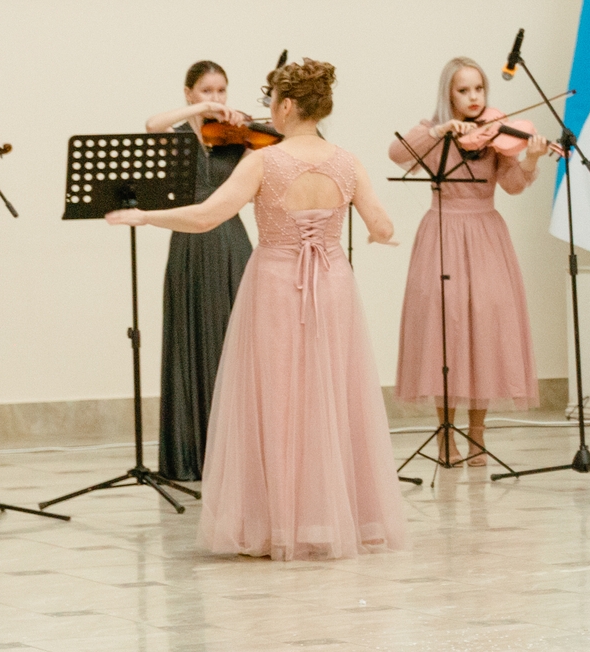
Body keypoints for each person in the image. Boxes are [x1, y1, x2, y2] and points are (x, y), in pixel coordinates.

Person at [108, 59, 406, 559]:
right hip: (333, 283)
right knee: (332, 395)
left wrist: (145, 215)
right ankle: (335, 518)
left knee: (277, 399)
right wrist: (376, 237)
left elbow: (207, 217)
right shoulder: (348, 162)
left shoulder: (264, 161)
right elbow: (383, 226)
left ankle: (278, 524)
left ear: (286, 106)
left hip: (276, 283)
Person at [389, 58, 547, 467]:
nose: (474, 97)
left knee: (485, 330)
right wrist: (438, 131)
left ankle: (478, 434)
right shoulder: (433, 131)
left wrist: (530, 160)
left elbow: (512, 185)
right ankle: (445, 435)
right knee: (445, 330)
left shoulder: (497, 133)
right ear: (449, 95)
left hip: (486, 233)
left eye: (479, 89)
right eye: (464, 90)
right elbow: (397, 153)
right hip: (443, 231)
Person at [144, 61, 258, 481]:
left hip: (231, 241)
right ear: (189, 92)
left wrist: (247, 127)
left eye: (222, 90)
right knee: (190, 336)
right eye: (207, 90)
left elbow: (271, 157)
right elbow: (152, 125)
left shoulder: (235, 135)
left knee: (234, 340)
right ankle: (192, 452)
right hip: (189, 242)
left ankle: (238, 452)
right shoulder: (177, 134)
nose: (216, 98)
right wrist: (198, 112)